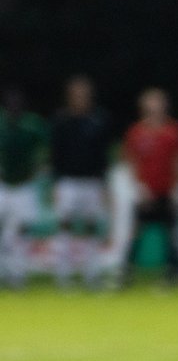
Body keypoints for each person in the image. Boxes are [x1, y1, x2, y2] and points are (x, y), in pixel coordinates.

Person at [49, 75, 113, 287]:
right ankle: (63, 275)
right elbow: (55, 155)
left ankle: (91, 275)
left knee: (91, 228)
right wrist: (55, 183)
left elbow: (103, 156)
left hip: (92, 182)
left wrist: (104, 184)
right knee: (64, 226)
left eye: (84, 94)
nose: (80, 98)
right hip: (67, 181)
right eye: (76, 94)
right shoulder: (61, 120)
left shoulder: (98, 119)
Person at [123, 88, 178, 283]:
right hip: (146, 192)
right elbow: (132, 161)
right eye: (150, 103)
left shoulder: (174, 131)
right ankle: (126, 272)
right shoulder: (136, 132)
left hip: (168, 190)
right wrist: (138, 187)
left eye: (158, 102)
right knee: (137, 231)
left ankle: (174, 274)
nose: (154, 107)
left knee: (172, 234)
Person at [0, 88, 48, 287]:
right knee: (7, 234)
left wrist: (37, 170)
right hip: (3, 184)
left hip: (25, 186)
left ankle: (18, 275)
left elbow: (45, 150)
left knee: (20, 233)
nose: (14, 107)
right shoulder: (1, 124)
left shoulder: (32, 125)